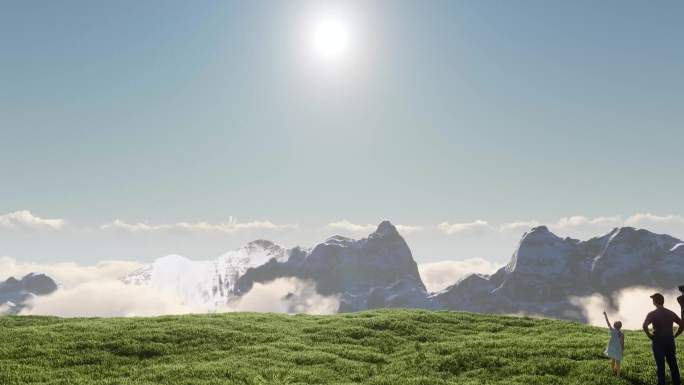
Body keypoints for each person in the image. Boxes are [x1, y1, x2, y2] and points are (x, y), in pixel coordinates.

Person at [643, 293, 684, 385]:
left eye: (653, 300)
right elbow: (682, 325)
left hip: (658, 341)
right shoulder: (670, 313)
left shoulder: (652, 314)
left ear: (654, 302)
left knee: (660, 366)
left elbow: (644, 326)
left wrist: (650, 336)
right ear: (662, 301)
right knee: (673, 365)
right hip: (669, 340)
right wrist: (675, 335)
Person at [603, 311, 624, 376]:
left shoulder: (612, 330)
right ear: (620, 327)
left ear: (614, 325)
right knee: (618, 361)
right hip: (618, 348)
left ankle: (613, 371)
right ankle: (618, 374)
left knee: (613, 360)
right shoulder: (621, 333)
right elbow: (622, 342)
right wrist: (622, 349)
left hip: (612, 347)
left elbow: (608, 322)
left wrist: (605, 315)